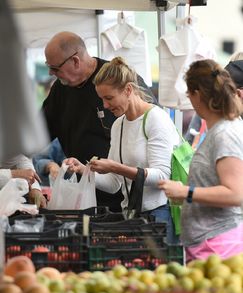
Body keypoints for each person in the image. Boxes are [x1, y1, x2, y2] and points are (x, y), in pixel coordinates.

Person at [64, 56, 180, 244]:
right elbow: (113, 184)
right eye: (102, 99)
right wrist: (84, 170)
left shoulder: (156, 119)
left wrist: (115, 167)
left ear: (128, 90)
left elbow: (162, 177)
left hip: (159, 216)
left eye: (109, 98)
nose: (105, 106)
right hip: (133, 217)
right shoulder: (119, 124)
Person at [42, 31, 157, 212]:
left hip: (133, 197)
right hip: (86, 190)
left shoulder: (118, 79)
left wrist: (117, 168)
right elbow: (38, 133)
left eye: (55, 68)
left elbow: (158, 163)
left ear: (75, 61)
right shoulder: (60, 91)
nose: (105, 105)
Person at [158, 59, 243, 261]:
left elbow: (235, 194)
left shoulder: (225, 134)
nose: (189, 99)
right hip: (210, 243)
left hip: (217, 246)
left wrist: (186, 192)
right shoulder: (221, 130)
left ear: (197, 94)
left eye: (188, 94)